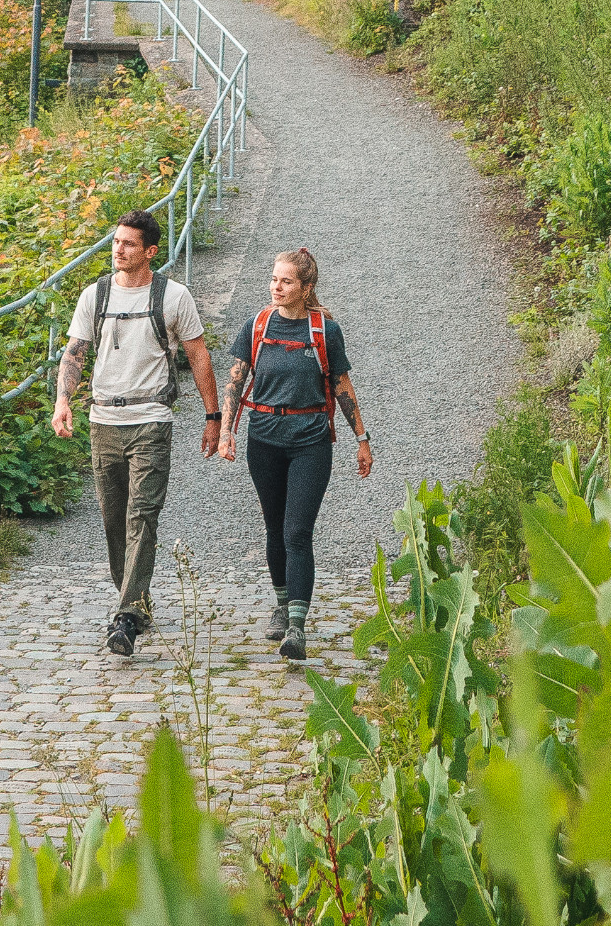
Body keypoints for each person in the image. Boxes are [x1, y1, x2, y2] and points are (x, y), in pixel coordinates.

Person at [47, 214, 211, 657]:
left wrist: (213, 415)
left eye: (129, 245)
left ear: (150, 251)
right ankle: (136, 600)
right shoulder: (95, 295)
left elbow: (197, 354)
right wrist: (63, 401)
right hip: (104, 421)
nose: (119, 250)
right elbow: (76, 353)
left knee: (143, 514)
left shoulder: (173, 296)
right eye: (116, 242)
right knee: (113, 519)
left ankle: (125, 620)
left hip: (152, 419)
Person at [210, 245, 370, 660]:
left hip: (310, 441)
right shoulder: (257, 326)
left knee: (297, 531)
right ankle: (282, 605)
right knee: (274, 527)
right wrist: (226, 432)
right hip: (263, 440)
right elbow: (234, 383)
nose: (276, 287)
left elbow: (341, 386)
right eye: (273, 279)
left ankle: (296, 627)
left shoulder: (324, 332)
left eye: (286, 281)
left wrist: (361, 439)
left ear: (305, 288)